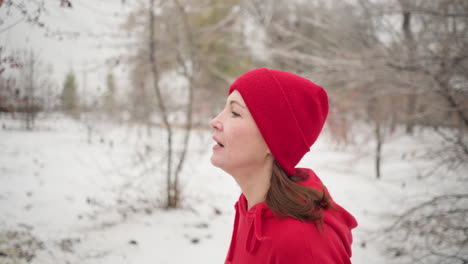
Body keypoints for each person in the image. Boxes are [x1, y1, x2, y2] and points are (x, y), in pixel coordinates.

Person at [210, 68, 358, 264]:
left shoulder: (301, 243)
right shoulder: (250, 208)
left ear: (273, 141)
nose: (215, 121)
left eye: (235, 113)